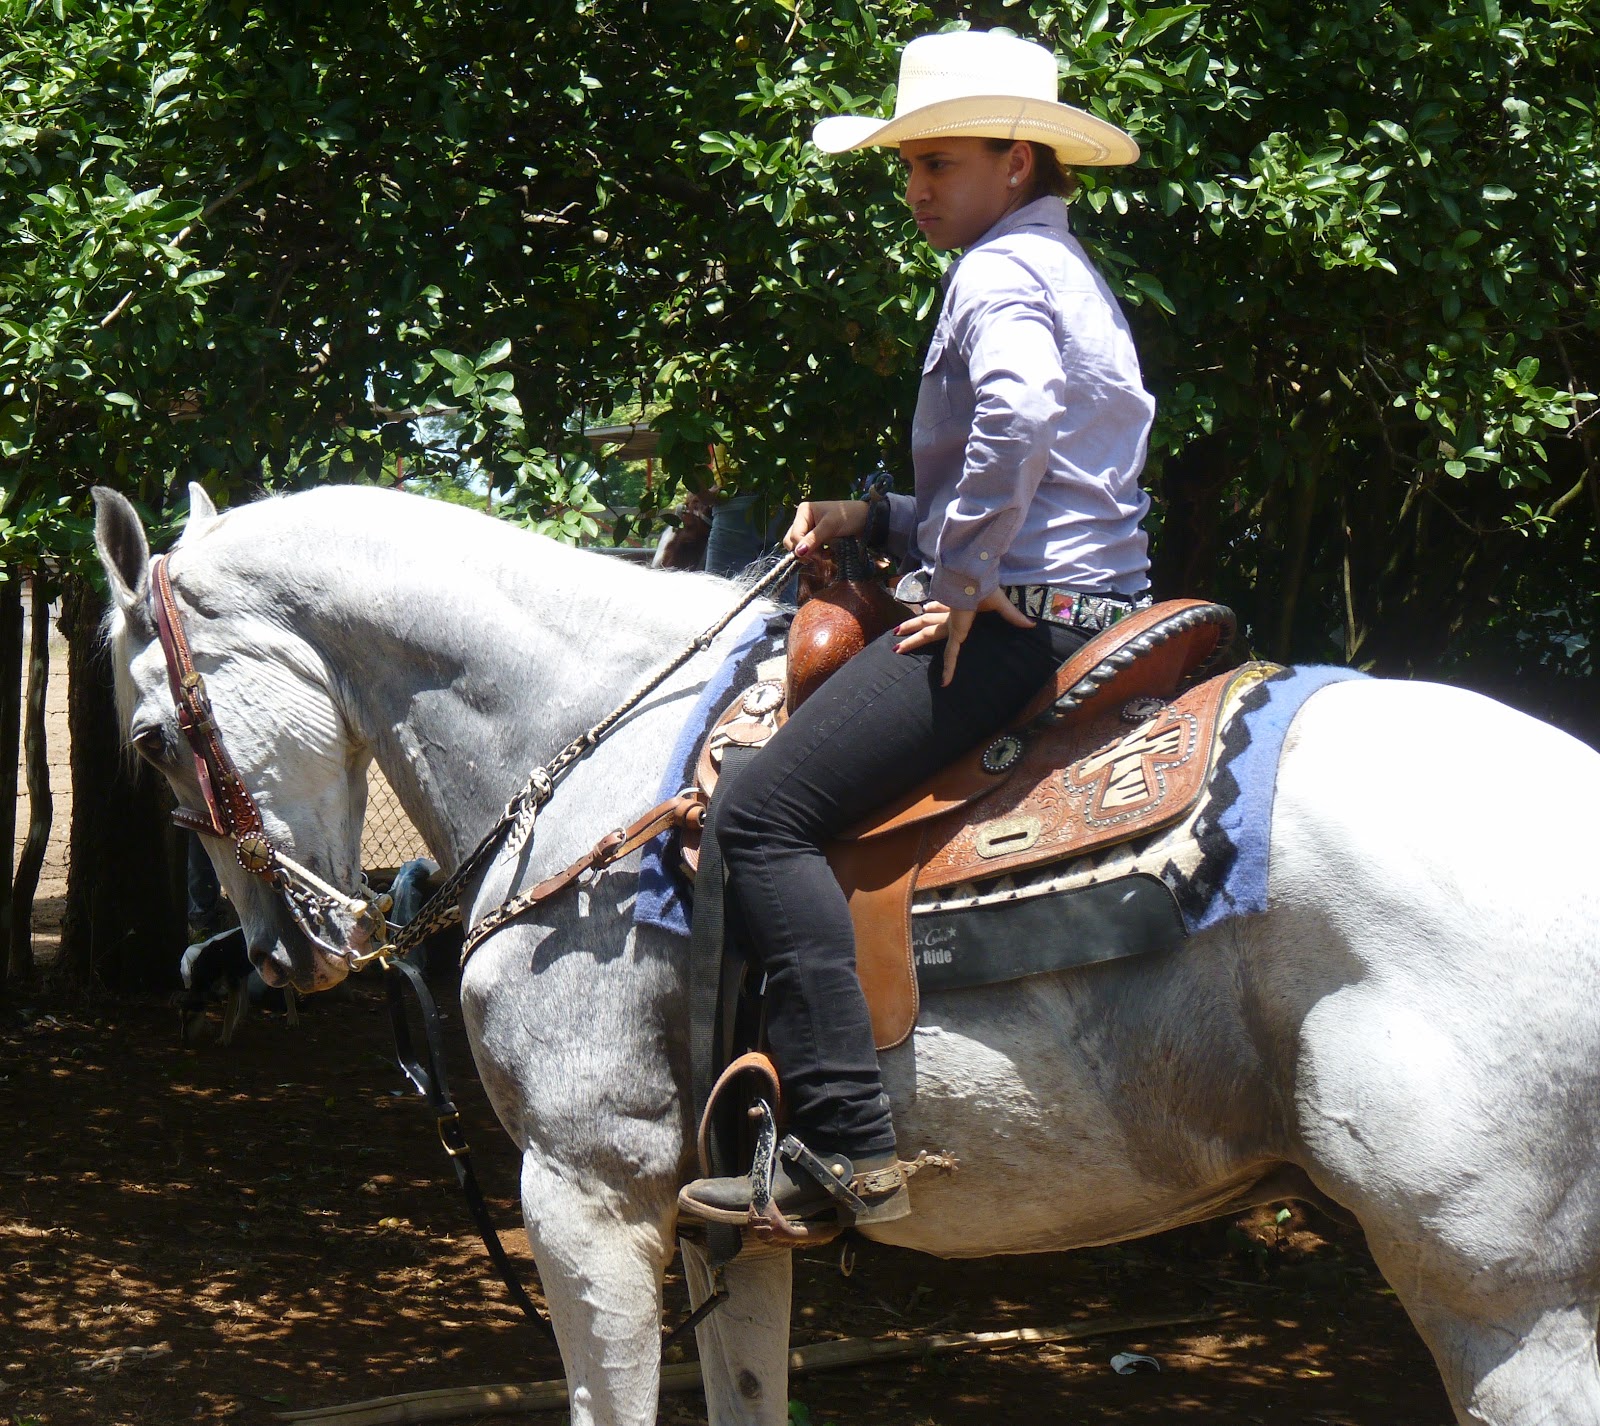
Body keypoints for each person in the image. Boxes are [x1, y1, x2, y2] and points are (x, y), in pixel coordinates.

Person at [677, 29, 1156, 1234]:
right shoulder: (1059, 266)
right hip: (1095, 603)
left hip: (1012, 623)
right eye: (907, 166)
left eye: (938, 162)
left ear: (1017, 158)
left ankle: (841, 1138)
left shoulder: (997, 275)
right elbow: (1051, 466)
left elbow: (1019, 413)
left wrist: (954, 573)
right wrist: (879, 513)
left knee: (759, 813)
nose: (917, 190)